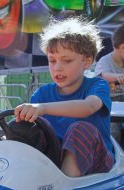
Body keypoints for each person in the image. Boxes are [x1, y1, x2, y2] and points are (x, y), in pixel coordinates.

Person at [14, 17, 113, 177]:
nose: (57, 67)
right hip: (54, 160)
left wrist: (44, 108)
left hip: (97, 161)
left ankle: (66, 186)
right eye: (52, 61)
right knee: (20, 127)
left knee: (79, 129)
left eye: (67, 61)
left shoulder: (97, 85)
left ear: (87, 61)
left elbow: (88, 107)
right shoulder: (42, 94)